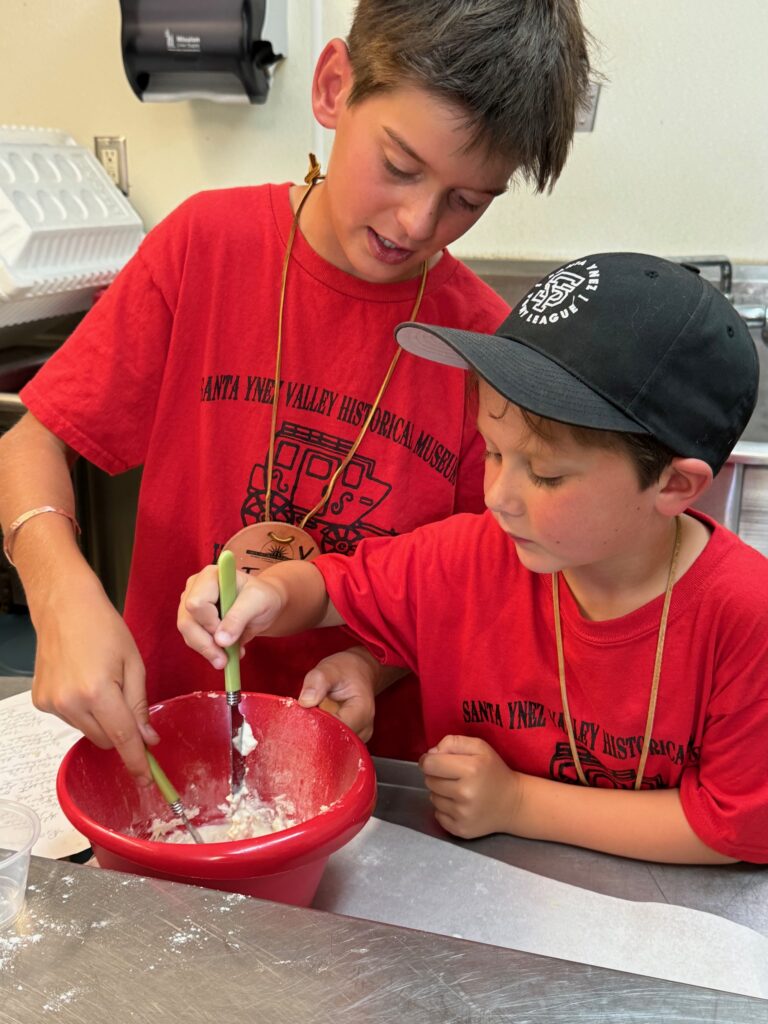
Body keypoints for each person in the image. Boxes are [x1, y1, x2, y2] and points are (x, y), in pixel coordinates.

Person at [0, 1, 593, 784]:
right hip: (167, 749)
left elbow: (485, 578)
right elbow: (34, 439)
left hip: (370, 779)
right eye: (401, 166)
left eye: (467, 201)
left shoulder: (482, 347)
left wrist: (371, 665)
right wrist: (58, 594)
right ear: (334, 86)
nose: (417, 222)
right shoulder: (205, 248)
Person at [178, 252, 768, 864]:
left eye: (544, 474)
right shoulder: (469, 558)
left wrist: (517, 804)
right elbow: (330, 590)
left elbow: (735, 825)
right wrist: (265, 595)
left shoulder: (745, 617)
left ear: (674, 486)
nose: (499, 497)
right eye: (492, 453)